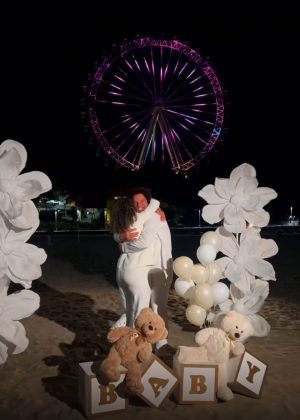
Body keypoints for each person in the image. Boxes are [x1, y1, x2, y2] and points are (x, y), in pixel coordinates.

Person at [111, 187, 173, 349]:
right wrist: (120, 238)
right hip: (145, 267)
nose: (140, 205)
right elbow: (120, 234)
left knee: (157, 305)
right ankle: (142, 343)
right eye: (136, 202)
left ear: (149, 201)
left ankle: (160, 342)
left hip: (161, 266)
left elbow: (143, 242)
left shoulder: (154, 216)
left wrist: (123, 247)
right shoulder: (137, 216)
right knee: (144, 307)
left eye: (143, 202)